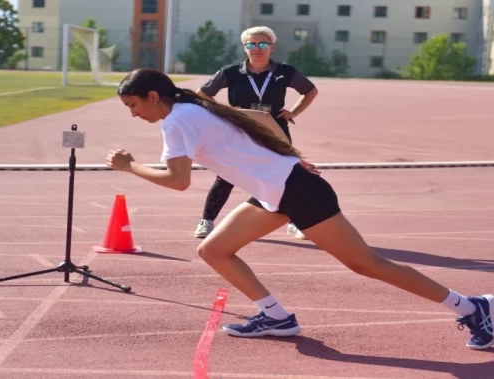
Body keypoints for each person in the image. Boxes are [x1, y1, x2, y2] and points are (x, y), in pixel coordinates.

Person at [107, 68, 493, 350]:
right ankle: (276, 317)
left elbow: (178, 181)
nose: (133, 113)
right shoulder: (194, 107)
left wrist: (130, 167)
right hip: (277, 190)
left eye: (133, 105)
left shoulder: (177, 122)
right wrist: (291, 155)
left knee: (368, 264)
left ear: (154, 96)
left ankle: (472, 307)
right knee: (213, 249)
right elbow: (259, 118)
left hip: (297, 192)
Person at [193, 26, 318, 240]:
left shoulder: (285, 72)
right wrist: (224, 113)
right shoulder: (230, 72)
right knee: (226, 175)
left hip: (275, 128)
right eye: (251, 44)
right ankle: (206, 221)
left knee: (287, 174)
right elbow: (203, 93)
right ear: (244, 48)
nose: (256, 48)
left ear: (272, 47)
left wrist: (294, 111)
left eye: (262, 44)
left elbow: (310, 91)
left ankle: (295, 222)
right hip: (240, 128)